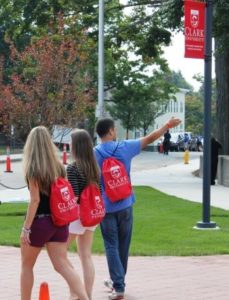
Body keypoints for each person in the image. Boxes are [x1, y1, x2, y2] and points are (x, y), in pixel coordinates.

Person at [94, 117, 181, 300]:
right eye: (114, 129)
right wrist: (167, 126)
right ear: (110, 131)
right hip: (125, 203)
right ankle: (118, 283)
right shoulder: (124, 147)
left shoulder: (95, 153)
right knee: (123, 245)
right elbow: (150, 138)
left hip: (106, 206)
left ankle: (118, 284)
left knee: (111, 245)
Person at [20, 126, 89, 300]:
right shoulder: (59, 167)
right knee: (63, 265)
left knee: (27, 266)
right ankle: (85, 297)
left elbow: (35, 200)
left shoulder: (33, 169)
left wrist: (26, 228)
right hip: (59, 222)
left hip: (40, 222)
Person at [67, 129, 101, 300]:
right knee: (86, 256)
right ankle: (87, 294)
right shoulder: (94, 166)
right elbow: (99, 190)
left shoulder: (73, 168)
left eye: (71, 142)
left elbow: (74, 196)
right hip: (93, 214)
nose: (69, 145)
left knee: (60, 255)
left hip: (78, 215)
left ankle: (76, 293)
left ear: (76, 146)